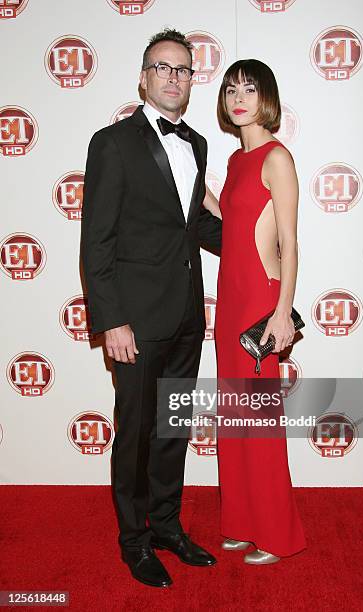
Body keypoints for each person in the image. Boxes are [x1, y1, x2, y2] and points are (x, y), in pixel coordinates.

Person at [80, 28, 222, 588]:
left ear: (191, 81)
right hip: (135, 323)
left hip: (188, 316)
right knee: (136, 433)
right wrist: (111, 319)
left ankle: (166, 526)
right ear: (143, 77)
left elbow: (195, 226)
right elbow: (98, 241)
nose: (173, 77)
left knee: (172, 430)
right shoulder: (112, 143)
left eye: (183, 70)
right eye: (162, 68)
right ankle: (133, 541)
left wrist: (261, 244)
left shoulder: (198, 143)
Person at [210, 59, 307, 564]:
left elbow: (289, 243)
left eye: (249, 88)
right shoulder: (233, 161)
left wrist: (282, 312)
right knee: (235, 417)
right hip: (229, 300)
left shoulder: (277, 158)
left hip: (261, 301)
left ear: (266, 96)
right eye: (230, 90)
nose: (239, 97)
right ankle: (242, 522)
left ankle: (277, 534)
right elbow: (232, 220)